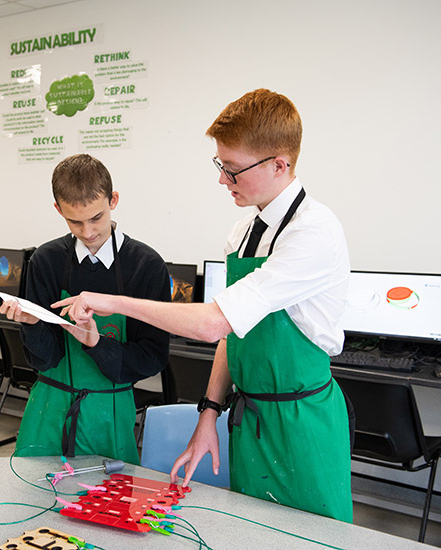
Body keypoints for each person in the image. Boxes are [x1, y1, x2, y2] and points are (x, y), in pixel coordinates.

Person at [55, 89, 353, 522]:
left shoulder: (313, 233)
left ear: (279, 164)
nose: (222, 180)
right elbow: (232, 336)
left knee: (311, 534)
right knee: (250, 529)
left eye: (232, 169)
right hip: (248, 420)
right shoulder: (244, 231)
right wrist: (209, 414)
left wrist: (112, 301)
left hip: (301, 419)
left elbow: (213, 323)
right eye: (221, 166)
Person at [0, 154, 171, 464]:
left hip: (110, 415)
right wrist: (32, 324)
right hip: (48, 410)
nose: (88, 231)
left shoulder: (146, 266)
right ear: (58, 210)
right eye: (74, 221)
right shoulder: (45, 260)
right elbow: (44, 359)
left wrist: (95, 342)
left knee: (108, 506)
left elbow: (151, 358)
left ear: (113, 200)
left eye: (96, 218)